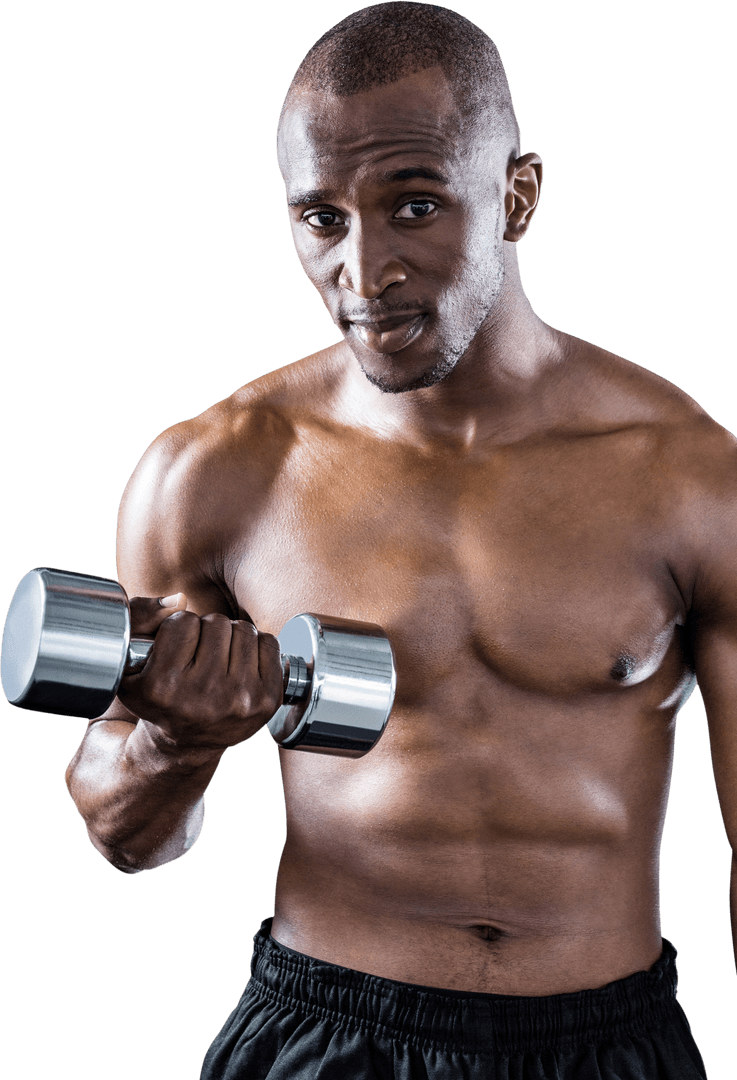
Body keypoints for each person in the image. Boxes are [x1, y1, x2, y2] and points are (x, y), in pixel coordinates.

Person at [64, 3, 729, 1077]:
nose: (364, 273)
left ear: (516, 196)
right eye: (320, 218)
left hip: (607, 1043)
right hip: (324, 1034)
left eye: (413, 205)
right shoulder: (216, 473)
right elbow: (123, 834)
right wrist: (173, 744)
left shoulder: (689, 477)